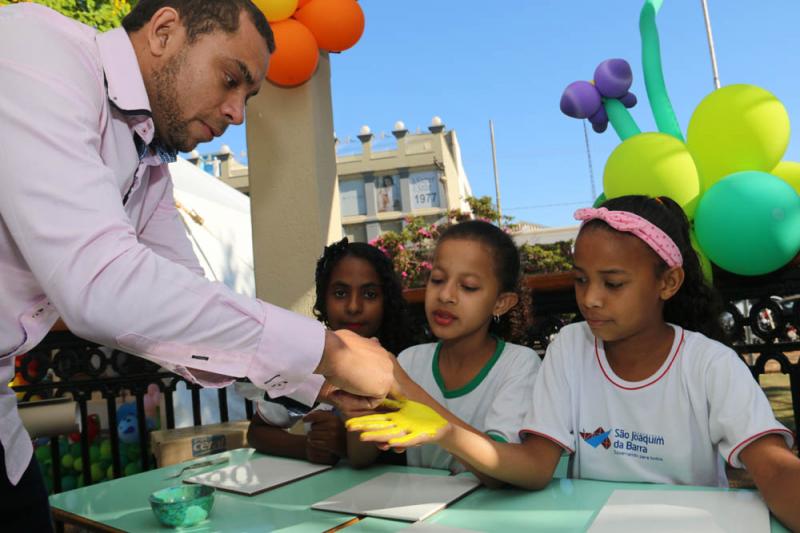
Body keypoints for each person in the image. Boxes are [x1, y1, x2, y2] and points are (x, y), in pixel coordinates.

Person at [0, 1, 394, 528]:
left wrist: (319, 383)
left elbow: (186, 304)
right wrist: (330, 349)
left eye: (248, 98)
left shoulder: (148, 166)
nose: (237, 112)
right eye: (232, 79)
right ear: (164, 31)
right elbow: (102, 285)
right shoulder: (35, 50)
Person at [350, 196, 800, 530]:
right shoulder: (570, 346)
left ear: (668, 282)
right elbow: (533, 465)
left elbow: (774, 468)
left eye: (613, 283)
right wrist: (446, 431)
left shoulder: (710, 365)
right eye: (581, 280)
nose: (590, 299)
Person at [347, 220, 540, 484]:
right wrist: (355, 397)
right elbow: (360, 458)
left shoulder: (518, 364)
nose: (446, 295)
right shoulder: (411, 359)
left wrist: (408, 388)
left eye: (468, 286)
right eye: (437, 280)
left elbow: (497, 473)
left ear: (500, 303)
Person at [246, 238, 413, 465]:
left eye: (370, 294)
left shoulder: (408, 362)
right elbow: (257, 433)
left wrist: (345, 443)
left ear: (387, 301)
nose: (354, 307)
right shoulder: (309, 362)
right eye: (341, 293)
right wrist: (308, 446)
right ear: (323, 299)